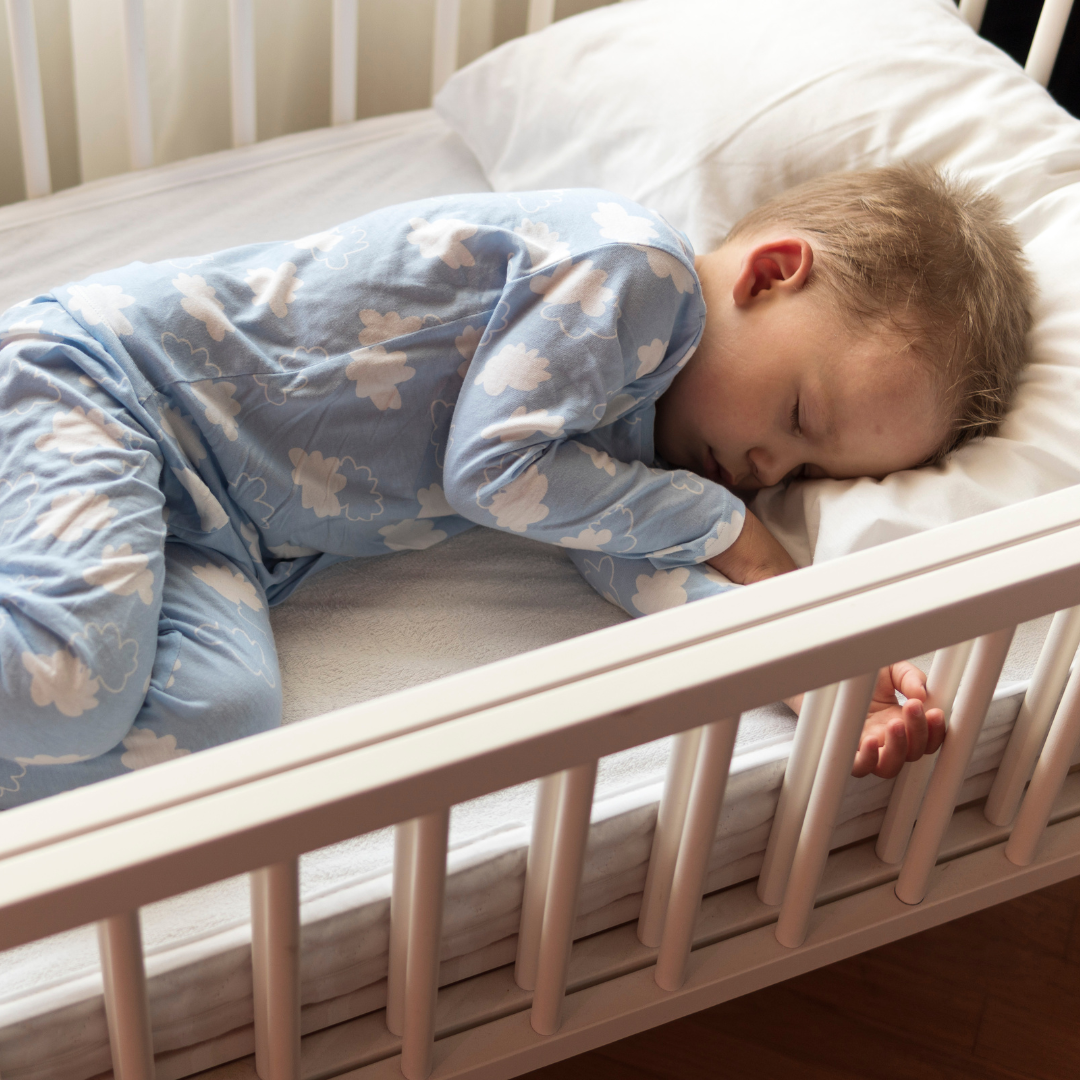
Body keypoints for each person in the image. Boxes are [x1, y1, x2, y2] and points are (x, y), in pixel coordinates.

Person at [0, 165, 1033, 805]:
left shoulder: (630, 455)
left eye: (809, 472)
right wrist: (726, 524)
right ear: (769, 275)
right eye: (799, 421)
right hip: (113, 387)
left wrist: (823, 668)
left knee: (222, 715)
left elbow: (646, 571)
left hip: (213, 530)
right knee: (72, 682)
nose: (770, 470)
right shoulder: (637, 277)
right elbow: (494, 469)